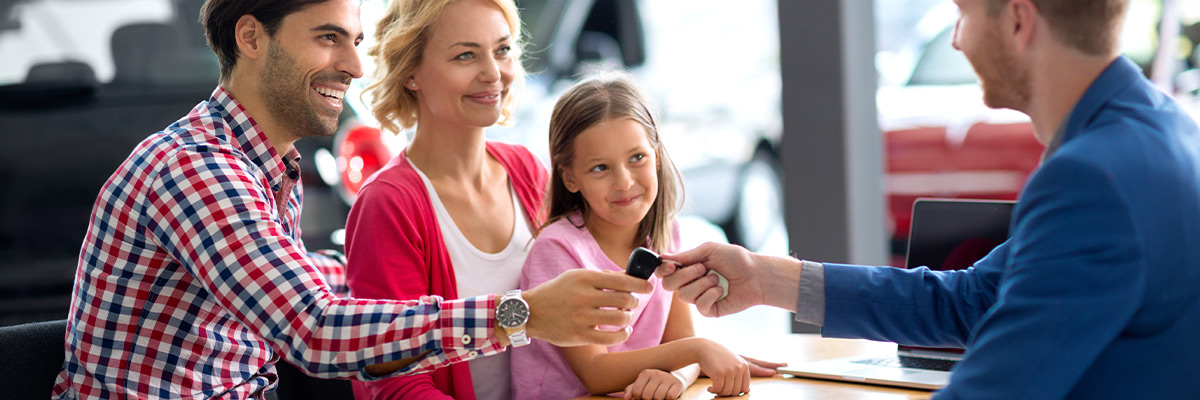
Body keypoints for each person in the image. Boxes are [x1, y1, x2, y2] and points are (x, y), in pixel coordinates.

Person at [52, 0, 652, 398]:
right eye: (329, 39)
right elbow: (314, 329)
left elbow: (289, 281)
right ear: (251, 37)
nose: (354, 64)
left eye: (357, 41)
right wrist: (519, 312)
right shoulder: (196, 170)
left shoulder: (264, 168)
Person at [657, 0, 1200, 398]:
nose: (958, 40)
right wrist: (767, 279)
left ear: (1018, 19)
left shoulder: (1093, 178)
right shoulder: (1153, 129)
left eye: (963, 14)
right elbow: (972, 301)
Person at [509, 73, 781, 400]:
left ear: (656, 155)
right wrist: (697, 352)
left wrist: (678, 376)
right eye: (600, 168)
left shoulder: (668, 236)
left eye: (636, 158)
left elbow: (679, 342)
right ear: (570, 178)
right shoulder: (558, 249)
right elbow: (597, 374)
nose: (624, 182)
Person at [341, 0, 546, 399]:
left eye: (502, 50)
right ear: (411, 71)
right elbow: (394, 382)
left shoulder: (529, 171)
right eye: (466, 55)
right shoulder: (388, 204)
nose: (493, 74)